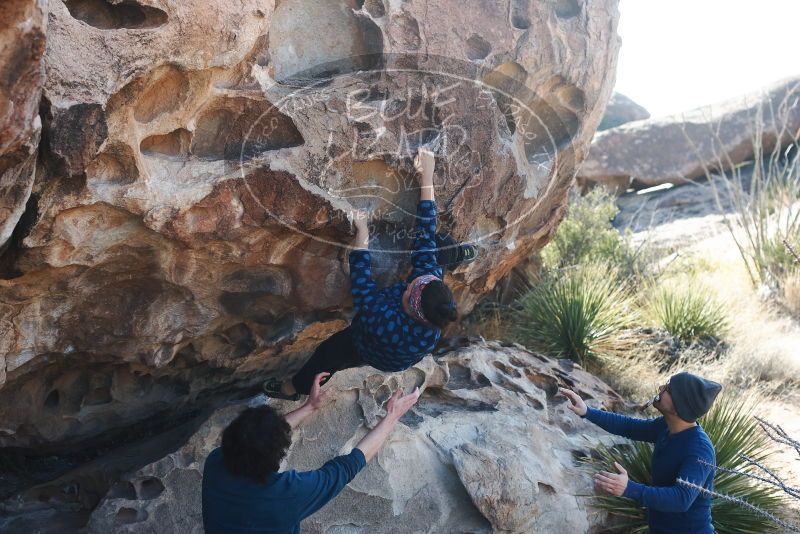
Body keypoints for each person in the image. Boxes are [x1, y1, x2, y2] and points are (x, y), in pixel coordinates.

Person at [265, 148, 475, 400]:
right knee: (433, 248)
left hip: (367, 347)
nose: (409, 283)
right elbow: (425, 227)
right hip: (401, 345)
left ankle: (292, 389)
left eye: (409, 289)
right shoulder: (432, 301)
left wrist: (362, 232)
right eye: (419, 280)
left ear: (408, 305)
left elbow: (362, 277)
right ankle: (455, 254)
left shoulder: (379, 317)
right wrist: (426, 176)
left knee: (327, 355)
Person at [202, 372, 421, 534]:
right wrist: (392, 416)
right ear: (276, 459)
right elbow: (348, 466)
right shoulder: (286, 495)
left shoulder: (216, 463)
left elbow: (253, 439)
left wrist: (310, 407)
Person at [559, 372, 722, 534]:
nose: (661, 388)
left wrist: (629, 488)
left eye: (669, 389)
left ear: (680, 407)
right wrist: (587, 411)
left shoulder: (699, 449)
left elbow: (681, 499)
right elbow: (629, 426)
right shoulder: (666, 427)